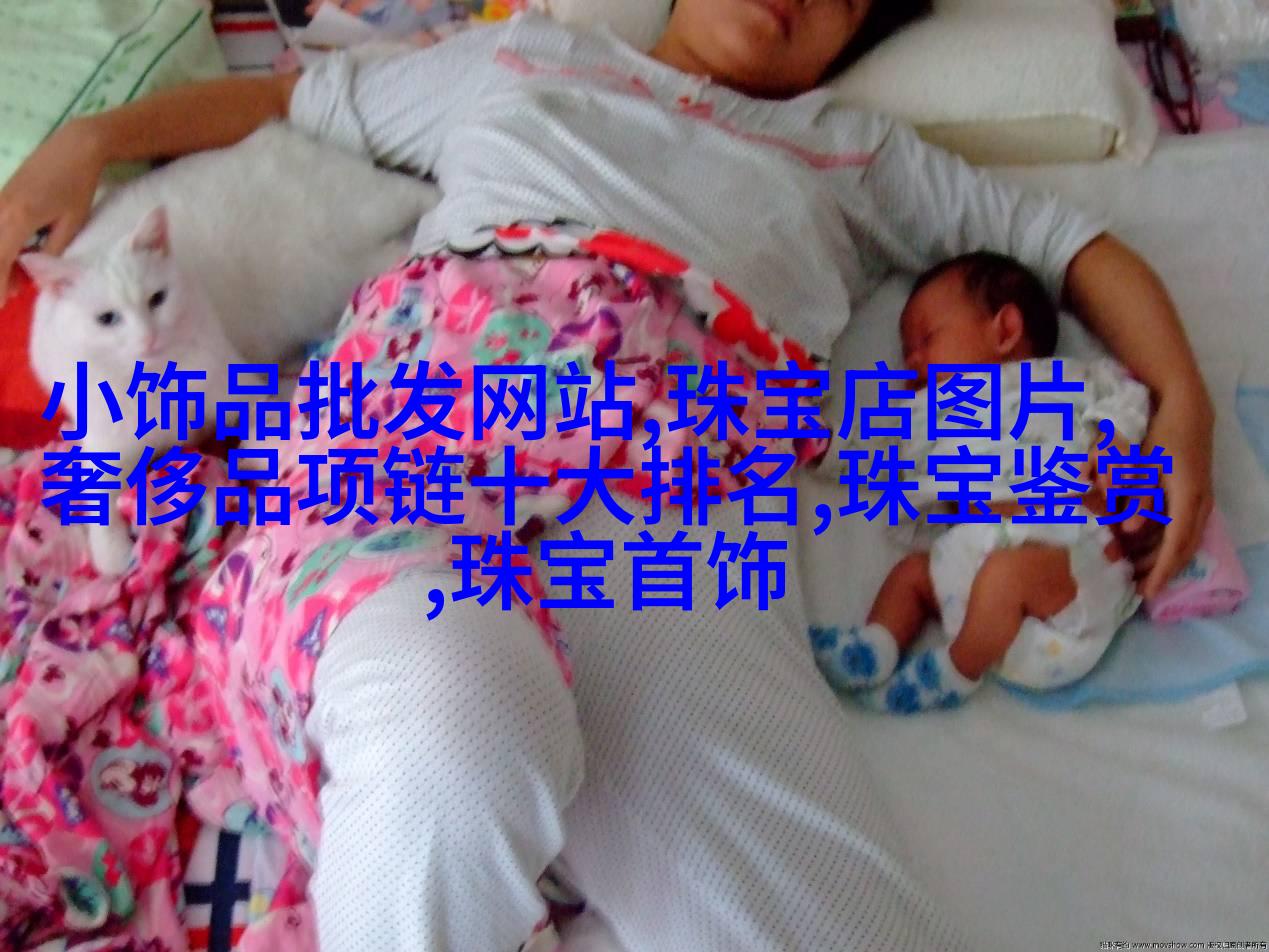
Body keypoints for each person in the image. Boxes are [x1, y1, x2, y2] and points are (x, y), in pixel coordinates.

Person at [0, 0, 1214, 949]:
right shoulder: (523, 57)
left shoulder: (855, 152)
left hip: (672, 503)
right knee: (452, 713)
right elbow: (291, 98)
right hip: (422, 422)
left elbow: (1072, 243)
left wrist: (1182, 403)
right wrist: (90, 141)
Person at [813, 252, 1151, 714]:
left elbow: (1128, 395)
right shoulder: (925, 417)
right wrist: (822, 447)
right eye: (907, 351)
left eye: (926, 339)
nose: (912, 362)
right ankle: (876, 645)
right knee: (911, 575)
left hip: (1071, 566)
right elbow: (880, 462)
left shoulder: (1065, 379)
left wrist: (1113, 441)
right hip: (972, 569)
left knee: (1006, 576)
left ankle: (955, 672)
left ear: (1005, 329)